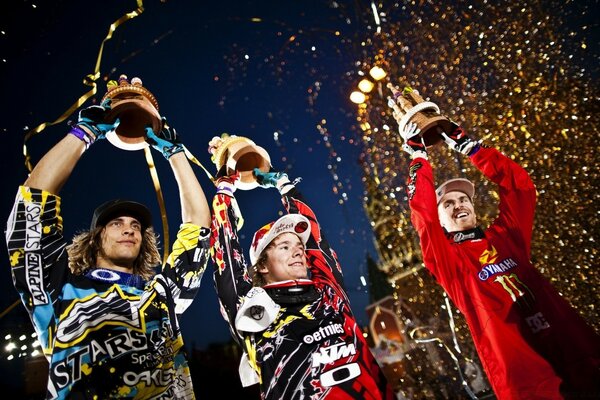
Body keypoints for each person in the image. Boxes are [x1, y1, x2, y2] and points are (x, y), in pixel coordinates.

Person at [5, 100, 211, 399]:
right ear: (95, 238)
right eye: (116, 223)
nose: (129, 229)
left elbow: (199, 227)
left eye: (136, 226)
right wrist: (83, 133)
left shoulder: (163, 296)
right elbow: (32, 206)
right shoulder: (57, 291)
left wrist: (174, 152)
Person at [399, 121, 600, 399]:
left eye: (464, 199)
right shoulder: (449, 261)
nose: (460, 204)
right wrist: (418, 157)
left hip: (582, 358)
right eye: (448, 203)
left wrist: (470, 147)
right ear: (441, 220)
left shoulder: (506, 235)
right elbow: (423, 216)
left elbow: (520, 187)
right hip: (531, 384)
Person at [210, 167, 395, 399]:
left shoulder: (330, 292)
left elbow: (317, 240)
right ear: (263, 266)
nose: (298, 252)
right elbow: (225, 255)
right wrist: (224, 193)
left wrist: (286, 187)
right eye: (285, 247)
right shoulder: (249, 307)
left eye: (299, 247)